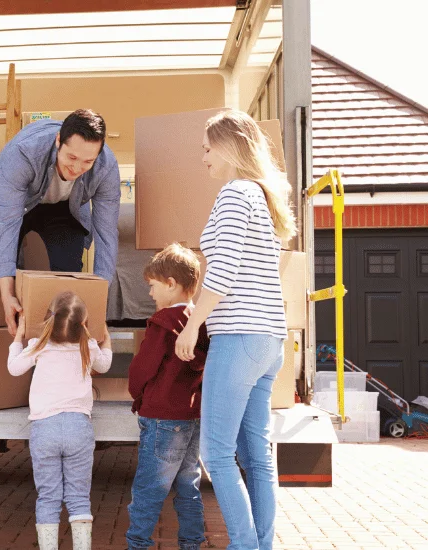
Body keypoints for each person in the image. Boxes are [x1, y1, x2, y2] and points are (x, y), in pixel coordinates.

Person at [175, 110, 296, 550]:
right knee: (256, 457)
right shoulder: (260, 197)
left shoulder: (233, 194)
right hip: (269, 340)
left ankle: (246, 545)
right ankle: (260, 545)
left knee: (217, 453)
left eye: (207, 148)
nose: (203, 157)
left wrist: (191, 326)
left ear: (228, 147)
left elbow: (221, 273)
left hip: (240, 338)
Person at [0, 109, 122, 335]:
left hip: (65, 209)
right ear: (58, 141)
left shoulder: (106, 167)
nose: (76, 168)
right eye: (72, 158)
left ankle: (59, 348)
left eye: (87, 162)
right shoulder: (23, 154)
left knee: (68, 275)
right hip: (18, 205)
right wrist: (7, 296)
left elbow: (106, 234)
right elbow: (7, 223)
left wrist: (98, 304)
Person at [7, 291, 113, 550]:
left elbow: (14, 368)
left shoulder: (38, 345)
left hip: (45, 429)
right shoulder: (87, 346)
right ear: (85, 325)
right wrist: (106, 338)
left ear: (48, 320)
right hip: (79, 428)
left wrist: (18, 338)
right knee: (78, 498)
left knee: (48, 498)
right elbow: (107, 364)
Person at [125, 243, 210, 550]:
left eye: (153, 286)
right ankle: (191, 544)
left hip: (162, 418)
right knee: (189, 486)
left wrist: (138, 396)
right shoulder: (199, 323)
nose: (150, 294)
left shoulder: (162, 324)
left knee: (149, 489)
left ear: (171, 284)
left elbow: (142, 369)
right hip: (191, 416)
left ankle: (138, 544)